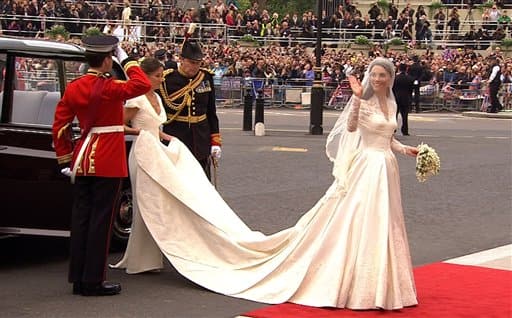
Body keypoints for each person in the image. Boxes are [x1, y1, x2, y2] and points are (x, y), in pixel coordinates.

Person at [117, 57, 419, 310]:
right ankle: (365, 282)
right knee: (361, 220)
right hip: (366, 168)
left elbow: (387, 138)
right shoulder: (363, 101)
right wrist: (355, 99)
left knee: (385, 222)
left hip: (385, 167)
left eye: (383, 75)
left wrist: (408, 150)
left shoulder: (389, 104)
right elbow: (353, 128)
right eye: (375, 74)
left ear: (390, 78)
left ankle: (385, 282)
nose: (378, 79)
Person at [52, 35, 151, 296]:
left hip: (82, 158)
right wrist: (126, 58)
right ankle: (94, 280)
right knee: (101, 222)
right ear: (107, 59)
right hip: (107, 158)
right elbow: (142, 83)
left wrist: (65, 158)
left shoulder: (75, 87)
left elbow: (60, 126)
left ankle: (78, 278)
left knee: (81, 219)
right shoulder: (111, 88)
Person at [111, 57, 172, 274]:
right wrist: (141, 133)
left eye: (161, 76)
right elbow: (119, 124)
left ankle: (152, 257)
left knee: (157, 203)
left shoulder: (156, 97)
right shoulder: (136, 98)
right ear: (144, 76)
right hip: (141, 152)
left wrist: (167, 137)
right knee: (144, 203)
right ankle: (140, 258)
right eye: (157, 76)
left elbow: (155, 126)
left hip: (157, 151)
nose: (160, 80)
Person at [158, 39, 221, 180]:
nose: (195, 67)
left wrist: (215, 141)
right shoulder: (167, 79)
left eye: (198, 63)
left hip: (201, 138)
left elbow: (211, 112)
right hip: (176, 137)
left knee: (202, 181)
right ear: (181, 59)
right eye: (192, 62)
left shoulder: (206, 77)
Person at [393, 63, 415, 136]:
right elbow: (411, 89)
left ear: (399, 69)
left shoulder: (395, 78)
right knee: (405, 116)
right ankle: (405, 130)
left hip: (396, 98)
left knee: (394, 115)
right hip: (406, 98)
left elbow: (392, 88)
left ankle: (393, 129)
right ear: (406, 69)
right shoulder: (410, 78)